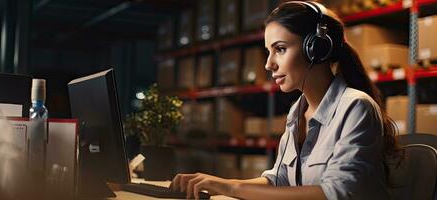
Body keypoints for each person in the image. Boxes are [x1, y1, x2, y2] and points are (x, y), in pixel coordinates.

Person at [170, 1, 399, 199]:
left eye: (280, 49)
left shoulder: (355, 106)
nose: (269, 64)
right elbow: (279, 180)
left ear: (316, 49)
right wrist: (216, 183)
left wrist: (231, 187)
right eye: (268, 51)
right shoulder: (297, 112)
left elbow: (336, 193)